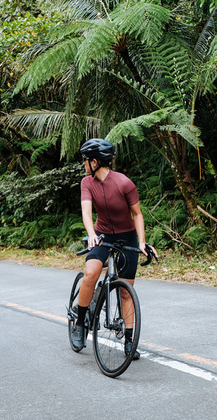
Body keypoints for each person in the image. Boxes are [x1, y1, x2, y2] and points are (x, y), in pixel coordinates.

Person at [70, 138, 157, 360]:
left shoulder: (124, 183)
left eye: (85, 160)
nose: (84, 164)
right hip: (101, 235)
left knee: (126, 291)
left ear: (95, 161)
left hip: (126, 236)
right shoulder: (86, 183)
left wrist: (140, 242)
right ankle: (80, 324)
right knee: (90, 273)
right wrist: (91, 235)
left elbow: (137, 214)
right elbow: (87, 212)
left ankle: (129, 342)